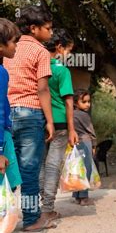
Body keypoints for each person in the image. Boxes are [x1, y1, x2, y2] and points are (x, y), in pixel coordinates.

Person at [3, 5, 56, 232]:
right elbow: (42, 89)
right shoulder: (41, 52)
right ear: (34, 29)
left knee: (8, 169)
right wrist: (50, 121)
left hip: (6, 114)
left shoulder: (8, 47)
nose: (51, 33)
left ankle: (7, 217)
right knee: (29, 171)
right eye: (48, 28)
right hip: (30, 112)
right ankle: (32, 219)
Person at [39, 29, 79, 220]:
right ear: (59, 47)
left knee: (39, 164)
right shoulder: (62, 70)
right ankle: (47, 208)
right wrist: (72, 129)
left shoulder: (37, 68)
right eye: (68, 50)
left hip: (40, 120)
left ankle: (39, 205)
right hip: (60, 123)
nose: (69, 55)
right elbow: (69, 101)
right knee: (53, 165)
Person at [0, 18, 22, 192]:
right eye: (14, 42)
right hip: (2, 139)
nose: (16, 46)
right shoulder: (1, 73)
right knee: (7, 188)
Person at [71, 89, 97, 205]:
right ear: (76, 103)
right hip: (85, 143)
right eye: (84, 102)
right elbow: (91, 132)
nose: (88, 104)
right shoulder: (84, 115)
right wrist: (94, 145)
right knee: (86, 169)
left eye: (88, 102)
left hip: (74, 144)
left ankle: (77, 195)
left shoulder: (70, 114)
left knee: (77, 170)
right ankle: (84, 197)